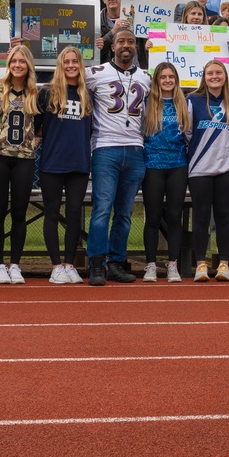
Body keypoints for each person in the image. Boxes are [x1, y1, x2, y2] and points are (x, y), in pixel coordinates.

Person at [85, 28, 151, 285]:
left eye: (131, 42)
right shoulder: (96, 73)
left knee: (124, 212)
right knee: (102, 209)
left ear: (136, 47)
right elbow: (66, 78)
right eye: (121, 41)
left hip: (135, 148)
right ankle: (96, 263)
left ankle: (116, 261)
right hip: (105, 147)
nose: (126, 45)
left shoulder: (146, 77)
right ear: (112, 46)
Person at [0, 45, 40, 284]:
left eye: (22, 61)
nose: (17, 65)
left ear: (28, 65)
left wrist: (36, 139)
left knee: (19, 212)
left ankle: (15, 263)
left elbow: (44, 120)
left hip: (24, 159)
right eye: (14, 61)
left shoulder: (36, 92)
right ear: (8, 63)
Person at [36, 46, 92, 284]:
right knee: (51, 213)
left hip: (79, 163)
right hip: (52, 163)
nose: (71, 65)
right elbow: (36, 128)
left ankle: (70, 264)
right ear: (60, 65)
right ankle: (56, 265)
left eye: (75, 61)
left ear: (81, 65)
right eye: (66, 61)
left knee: (73, 214)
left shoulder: (88, 94)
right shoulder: (46, 93)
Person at [185, 60, 229, 282]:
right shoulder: (192, 100)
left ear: (225, 76)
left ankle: (224, 264)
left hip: (226, 167)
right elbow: (187, 132)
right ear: (204, 76)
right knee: (200, 217)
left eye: (218, 73)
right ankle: (200, 265)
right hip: (199, 167)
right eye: (210, 73)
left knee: (223, 216)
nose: (214, 76)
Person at [141, 62, 190, 283]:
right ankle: (150, 265)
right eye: (163, 77)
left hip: (177, 165)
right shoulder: (147, 103)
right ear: (157, 80)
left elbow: (188, 134)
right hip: (153, 165)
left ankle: (172, 265)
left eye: (171, 77)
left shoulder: (184, 103)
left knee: (173, 217)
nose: (167, 80)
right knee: (152, 217)